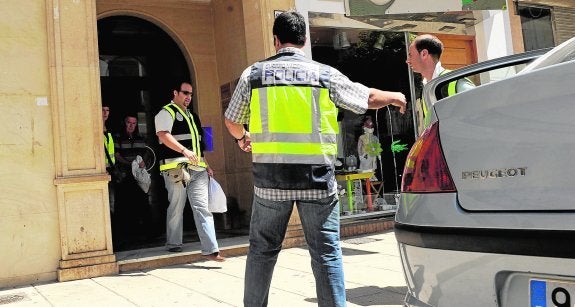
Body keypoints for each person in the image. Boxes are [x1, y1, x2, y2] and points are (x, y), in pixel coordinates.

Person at [224, 11, 406, 307]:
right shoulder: (323, 74)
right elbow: (366, 99)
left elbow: (231, 119)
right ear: (305, 40)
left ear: (275, 41)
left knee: (261, 250)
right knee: (326, 253)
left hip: (271, 182)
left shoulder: (253, 75)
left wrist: (243, 138)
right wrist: (395, 95)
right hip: (316, 181)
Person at [154, 80, 224, 261]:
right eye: (185, 93)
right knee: (177, 206)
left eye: (191, 94)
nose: (188, 97)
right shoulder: (166, 112)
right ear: (175, 93)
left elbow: (198, 145)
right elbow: (163, 135)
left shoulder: (192, 116)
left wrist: (206, 164)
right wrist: (184, 150)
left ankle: (211, 249)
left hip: (198, 168)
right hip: (176, 169)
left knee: (202, 207)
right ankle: (174, 243)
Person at [406, 34, 474, 129]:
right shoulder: (427, 88)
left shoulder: (456, 82)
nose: (407, 61)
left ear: (424, 54)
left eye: (410, 55)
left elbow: (480, 114)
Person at [113, 114, 151, 245]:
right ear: (125, 123)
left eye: (134, 123)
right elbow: (116, 155)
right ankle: (125, 235)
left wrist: (143, 163)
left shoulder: (140, 138)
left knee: (142, 202)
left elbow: (145, 153)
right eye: (129, 123)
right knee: (125, 205)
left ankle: (145, 233)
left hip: (138, 176)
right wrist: (129, 165)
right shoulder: (118, 137)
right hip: (124, 175)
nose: (131, 126)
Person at [102, 104, 116, 215]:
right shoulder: (96, 129)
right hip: (103, 170)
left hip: (111, 169)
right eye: (102, 110)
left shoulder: (109, 128)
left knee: (112, 201)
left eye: (107, 110)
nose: (105, 113)